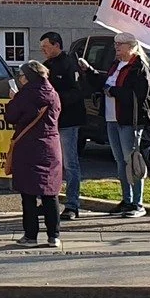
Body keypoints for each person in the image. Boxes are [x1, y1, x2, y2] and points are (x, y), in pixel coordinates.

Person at [39, 31, 99, 220]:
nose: (44, 51)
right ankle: (49, 201)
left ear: (57, 45)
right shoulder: (47, 66)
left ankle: (72, 205)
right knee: (50, 163)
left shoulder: (70, 64)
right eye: (42, 48)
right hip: (50, 122)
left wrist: (55, 100)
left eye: (46, 47)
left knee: (70, 163)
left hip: (68, 121)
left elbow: (79, 91)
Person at [6, 60, 65, 248]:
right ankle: (54, 236)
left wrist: (13, 99)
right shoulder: (53, 93)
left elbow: (11, 117)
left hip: (28, 147)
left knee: (28, 193)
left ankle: (31, 236)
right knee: (50, 192)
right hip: (50, 147)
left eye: (21, 76)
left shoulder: (26, 94)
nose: (20, 79)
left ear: (28, 76)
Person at [101, 36, 150, 218]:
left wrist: (113, 91)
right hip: (112, 118)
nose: (116, 47)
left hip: (129, 120)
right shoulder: (116, 65)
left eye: (120, 44)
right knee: (120, 161)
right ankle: (127, 199)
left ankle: (138, 203)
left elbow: (138, 94)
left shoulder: (139, 68)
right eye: (116, 44)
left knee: (132, 160)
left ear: (132, 47)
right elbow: (106, 83)